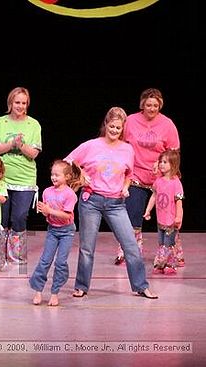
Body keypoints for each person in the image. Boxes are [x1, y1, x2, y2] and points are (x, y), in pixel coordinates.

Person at [65, 106, 158, 299]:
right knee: (87, 248)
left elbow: (129, 174)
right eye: (112, 126)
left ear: (123, 128)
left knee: (131, 245)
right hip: (91, 201)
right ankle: (82, 286)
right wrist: (81, 173)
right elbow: (69, 160)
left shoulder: (127, 149)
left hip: (116, 203)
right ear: (106, 124)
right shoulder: (91, 145)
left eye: (118, 128)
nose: (114, 130)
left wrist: (125, 186)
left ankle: (141, 285)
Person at [114, 88, 180, 265]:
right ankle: (129, 251)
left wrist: (162, 164)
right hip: (136, 175)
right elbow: (120, 144)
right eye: (148, 105)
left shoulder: (167, 124)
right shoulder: (131, 121)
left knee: (167, 220)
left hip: (161, 178)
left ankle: (170, 253)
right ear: (142, 104)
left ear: (160, 105)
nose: (152, 109)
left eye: (155, 105)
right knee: (132, 215)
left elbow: (174, 152)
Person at [0, 87, 41, 267]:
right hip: (2, 178)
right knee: (1, 217)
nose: (20, 106)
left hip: (25, 178)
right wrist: (11, 143)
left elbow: (33, 153)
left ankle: (16, 255)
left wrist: (21, 145)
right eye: (17, 102)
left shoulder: (33, 124)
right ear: (11, 103)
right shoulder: (0, 122)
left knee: (19, 216)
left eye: (24, 103)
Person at [29, 160, 83, 307]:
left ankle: (55, 292)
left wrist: (49, 211)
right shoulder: (47, 192)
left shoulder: (70, 194)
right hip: (52, 230)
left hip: (66, 232)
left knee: (60, 262)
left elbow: (67, 215)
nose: (53, 177)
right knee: (45, 260)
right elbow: (48, 214)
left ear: (67, 177)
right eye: (52, 174)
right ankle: (38, 290)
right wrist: (45, 212)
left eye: (57, 175)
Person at [143, 150, 184, 274]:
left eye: (165, 162)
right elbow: (154, 196)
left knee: (168, 243)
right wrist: (148, 210)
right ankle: (162, 263)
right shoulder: (159, 181)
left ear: (174, 164)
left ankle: (168, 265)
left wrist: (178, 217)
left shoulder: (176, 183)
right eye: (160, 161)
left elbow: (179, 202)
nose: (161, 164)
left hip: (171, 221)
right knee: (161, 242)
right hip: (161, 220)